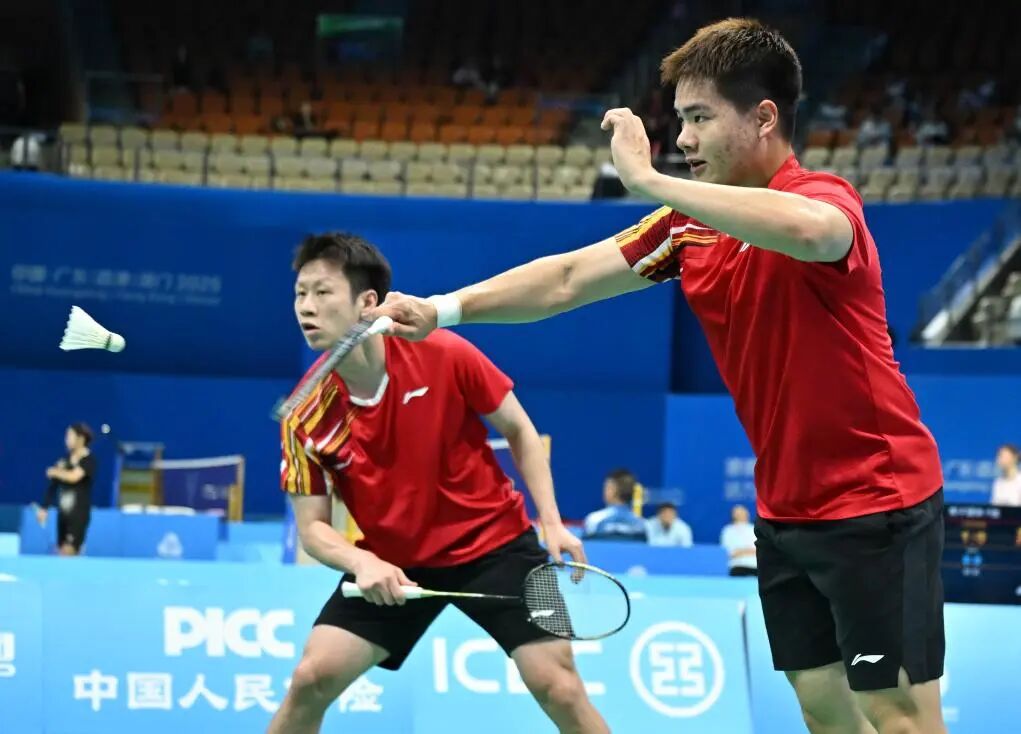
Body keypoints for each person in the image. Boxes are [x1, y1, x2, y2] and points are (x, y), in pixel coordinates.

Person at [369, 17, 947, 734]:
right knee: (822, 709)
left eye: (700, 118)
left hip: (876, 498)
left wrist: (646, 179)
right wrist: (443, 309)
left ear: (764, 117)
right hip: (785, 508)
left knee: (897, 715)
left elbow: (811, 232)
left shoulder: (824, 199)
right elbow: (568, 278)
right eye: (679, 120)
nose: (683, 139)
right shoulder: (686, 228)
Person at [268, 233, 607, 734]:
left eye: (322, 292)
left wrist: (552, 523)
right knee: (310, 679)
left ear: (366, 302)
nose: (306, 307)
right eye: (300, 293)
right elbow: (312, 529)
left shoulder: (441, 350)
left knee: (559, 687)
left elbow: (520, 430)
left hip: (496, 544)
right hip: (395, 562)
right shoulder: (305, 413)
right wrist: (362, 562)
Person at [36, 422, 96, 556]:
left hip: (79, 515)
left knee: (70, 551)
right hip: (63, 514)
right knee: (61, 550)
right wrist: (44, 508)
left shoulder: (89, 460)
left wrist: (56, 472)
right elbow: (52, 486)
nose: (66, 440)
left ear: (80, 438)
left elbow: (74, 476)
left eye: (70, 436)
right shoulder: (63, 461)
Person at [582, 469, 647, 541]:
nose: (604, 491)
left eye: (606, 487)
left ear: (614, 490)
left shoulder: (594, 520)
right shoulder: (642, 524)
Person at [720, 504, 757, 576]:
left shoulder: (756, 528)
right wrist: (749, 550)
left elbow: (761, 550)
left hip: (756, 566)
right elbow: (729, 553)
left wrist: (742, 551)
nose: (741, 515)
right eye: (737, 513)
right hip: (737, 566)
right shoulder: (727, 530)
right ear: (733, 515)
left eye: (742, 512)